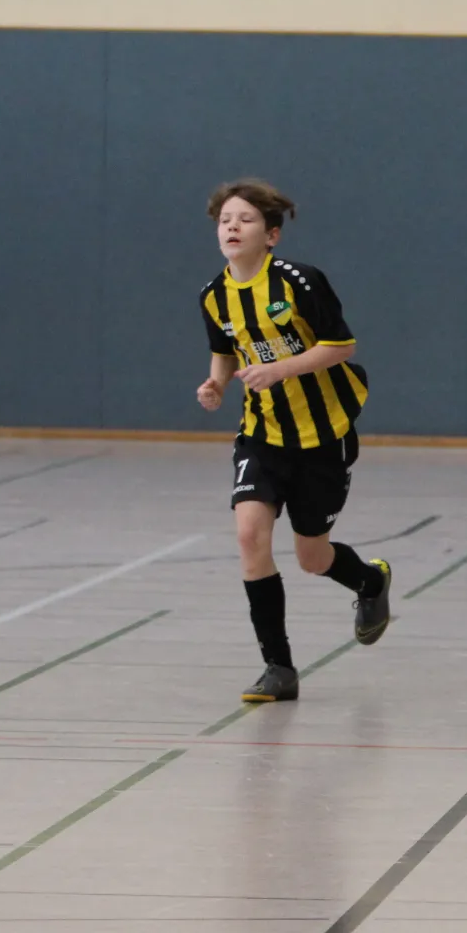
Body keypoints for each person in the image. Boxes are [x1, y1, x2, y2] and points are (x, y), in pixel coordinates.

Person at [195, 179, 392, 704]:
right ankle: (278, 667)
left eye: (245, 220)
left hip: (323, 435)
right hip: (262, 435)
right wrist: (216, 383)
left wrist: (279, 369)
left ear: (272, 235)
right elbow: (226, 350)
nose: (232, 227)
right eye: (225, 221)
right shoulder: (213, 295)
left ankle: (370, 582)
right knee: (249, 537)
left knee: (312, 557)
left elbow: (341, 346)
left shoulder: (299, 281)